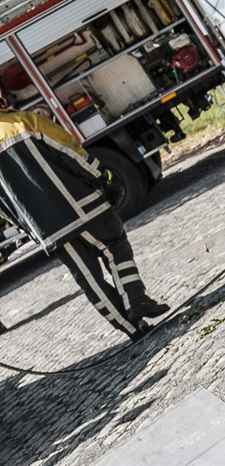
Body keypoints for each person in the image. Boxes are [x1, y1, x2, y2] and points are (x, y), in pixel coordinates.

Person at [0, 106, 167, 337]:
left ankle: (131, 329)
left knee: (88, 277)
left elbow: (4, 209)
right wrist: (101, 175)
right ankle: (136, 299)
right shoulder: (26, 121)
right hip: (80, 205)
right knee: (114, 245)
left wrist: (29, 228)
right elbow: (71, 152)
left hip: (46, 228)